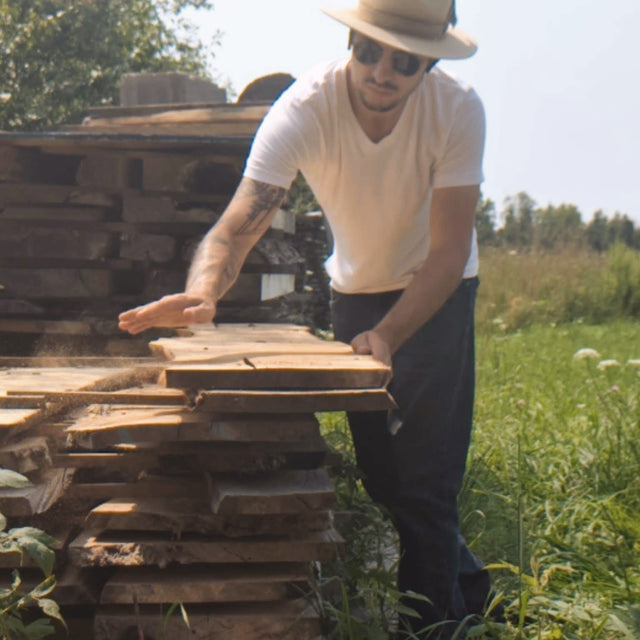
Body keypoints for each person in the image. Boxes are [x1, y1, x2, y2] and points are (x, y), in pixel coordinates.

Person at [119, 0, 493, 636]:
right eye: (369, 50)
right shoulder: (303, 108)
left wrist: (391, 335)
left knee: (427, 482)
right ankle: (474, 590)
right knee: (383, 478)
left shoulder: (458, 109)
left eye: (403, 62)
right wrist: (204, 293)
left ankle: (432, 627)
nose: (381, 72)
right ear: (350, 39)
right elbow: (238, 225)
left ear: (428, 65)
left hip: (437, 293)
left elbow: (449, 251)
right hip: (355, 290)